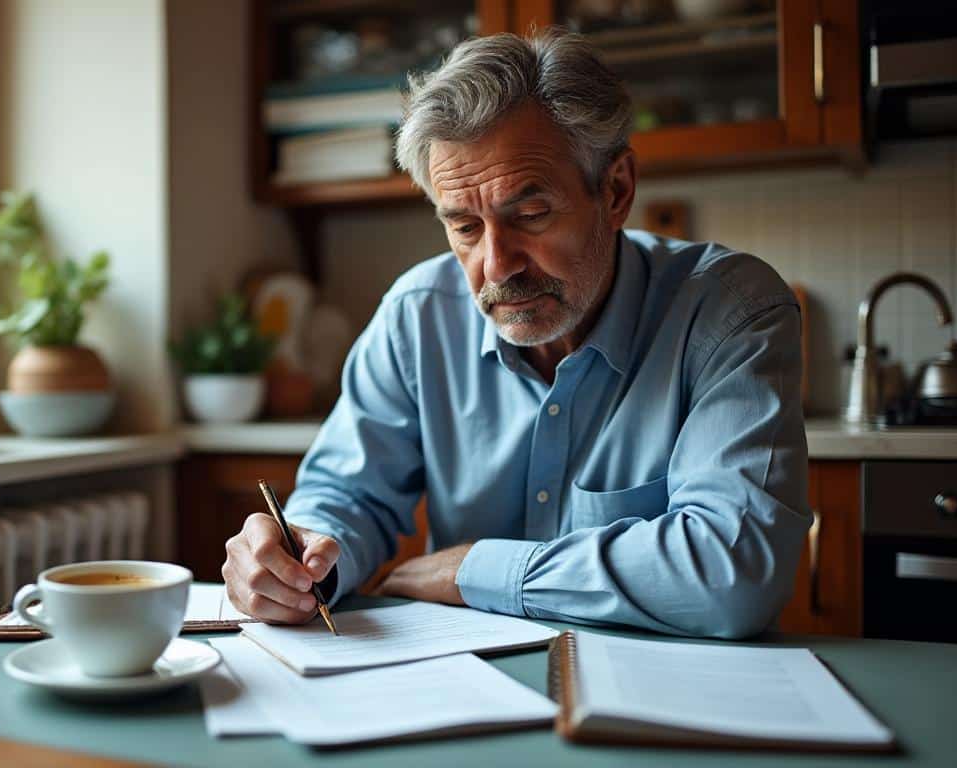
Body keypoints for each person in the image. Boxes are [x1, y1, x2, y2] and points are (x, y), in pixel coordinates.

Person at [222, 30, 809, 639]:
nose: (497, 266)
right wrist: (300, 556)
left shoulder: (730, 311)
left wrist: (474, 571)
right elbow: (348, 495)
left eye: (530, 215)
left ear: (616, 191)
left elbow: (734, 571)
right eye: (464, 227)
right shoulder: (417, 317)